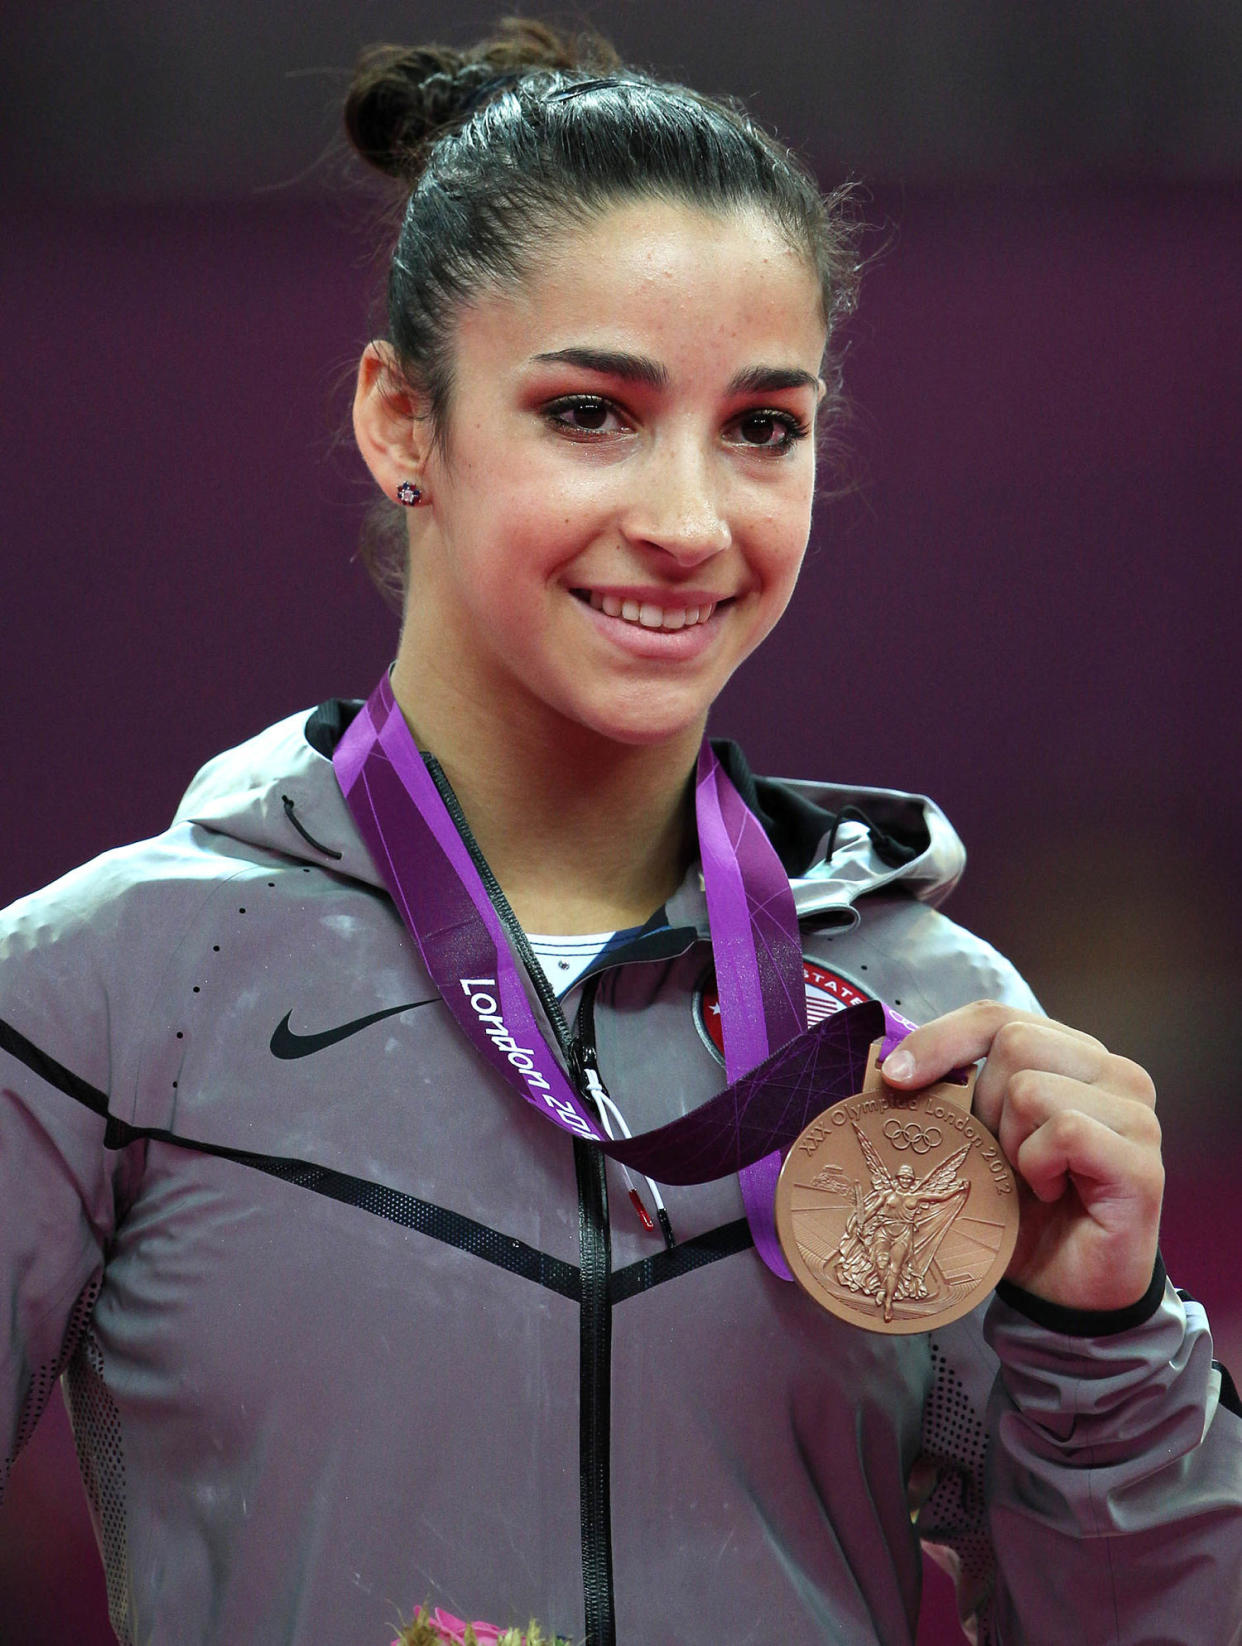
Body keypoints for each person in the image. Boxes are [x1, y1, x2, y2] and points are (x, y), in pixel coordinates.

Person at [1, 18, 1239, 1645]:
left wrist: (1102, 1329)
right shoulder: (108, 991)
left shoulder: (926, 1015)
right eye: (591, 412)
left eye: (761, 426)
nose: (686, 519)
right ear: (400, 422)